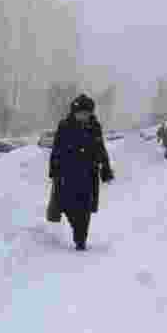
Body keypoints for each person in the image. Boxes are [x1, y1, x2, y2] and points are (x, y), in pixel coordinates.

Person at [49, 93, 114, 251]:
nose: (84, 116)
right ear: (74, 112)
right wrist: (54, 169)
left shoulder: (94, 127)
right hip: (68, 174)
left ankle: (80, 239)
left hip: (88, 175)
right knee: (68, 206)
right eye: (81, 113)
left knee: (85, 209)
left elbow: (100, 148)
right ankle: (77, 228)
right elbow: (57, 149)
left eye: (87, 113)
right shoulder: (65, 126)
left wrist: (105, 168)